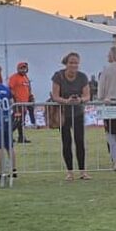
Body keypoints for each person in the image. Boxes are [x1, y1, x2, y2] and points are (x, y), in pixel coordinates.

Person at [51, 51, 90, 180]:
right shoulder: (58, 76)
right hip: (63, 115)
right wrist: (66, 101)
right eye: (71, 63)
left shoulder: (82, 77)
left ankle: (83, 172)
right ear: (66, 63)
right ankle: (69, 172)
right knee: (66, 142)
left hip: (78, 113)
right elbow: (55, 96)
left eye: (76, 63)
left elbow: (87, 96)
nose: (74, 65)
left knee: (80, 141)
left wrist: (80, 100)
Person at [8, 62, 34, 143]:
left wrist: (31, 97)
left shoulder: (26, 78)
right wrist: (13, 99)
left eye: (24, 68)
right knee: (16, 121)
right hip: (17, 103)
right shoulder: (14, 77)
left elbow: (28, 89)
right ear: (18, 69)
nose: (23, 70)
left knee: (21, 122)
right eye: (21, 68)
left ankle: (21, 137)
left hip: (25, 103)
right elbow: (10, 88)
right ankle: (8, 137)